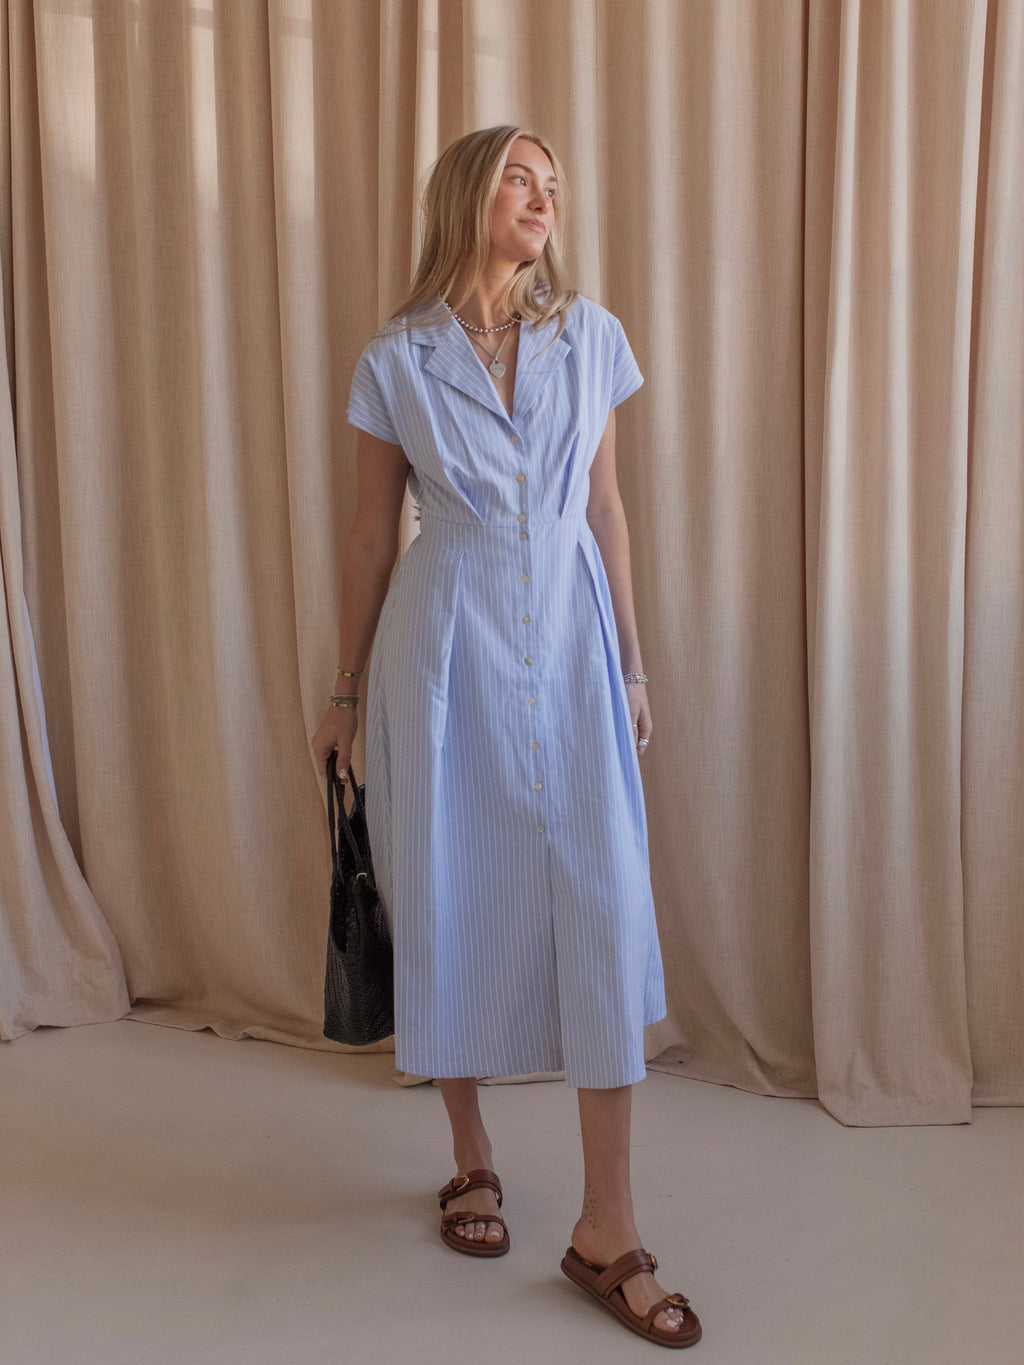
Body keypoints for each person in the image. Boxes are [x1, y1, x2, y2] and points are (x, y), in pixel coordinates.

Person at [311, 125, 701, 1349]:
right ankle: (470, 1156)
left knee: (601, 904)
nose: (541, 197)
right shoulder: (398, 358)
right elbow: (372, 538)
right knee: (448, 891)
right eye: (518, 178)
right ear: (467, 197)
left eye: (551, 184)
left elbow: (606, 509)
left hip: (574, 647)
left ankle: (608, 1226)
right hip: (443, 652)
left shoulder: (593, 338)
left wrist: (631, 663)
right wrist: (343, 692)